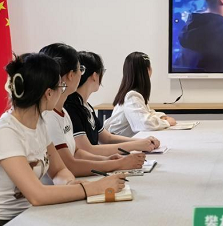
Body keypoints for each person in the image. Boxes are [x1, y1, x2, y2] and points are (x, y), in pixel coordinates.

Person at [0, 53, 125, 226]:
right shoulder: (4, 133)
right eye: (61, 86)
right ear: (49, 93)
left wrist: (69, 183)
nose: (63, 91)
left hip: (29, 216)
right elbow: (37, 195)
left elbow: (58, 170)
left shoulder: (39, 123)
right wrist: (91, 188)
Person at [40, 44, 146, 176]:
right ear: (71, 75)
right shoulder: (52, 115)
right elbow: (70, 166)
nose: (81, 74)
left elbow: (77, 152)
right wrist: (116, 164)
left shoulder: (64, 112)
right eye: (80, 69)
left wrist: (108, 160)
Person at [64, 51, 162, 157]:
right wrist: (136, 145)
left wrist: (141, 142)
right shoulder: (71, 107)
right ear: (94, 76)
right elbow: (88, 150)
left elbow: (107, 138)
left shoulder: (86, 106)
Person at [105, 52, 176, 137]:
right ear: (148, 70)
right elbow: (144, 124)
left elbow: (146, 113)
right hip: (117, 143)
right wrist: (166, 122)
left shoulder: (132, 94)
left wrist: (161, 116)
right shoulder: (132, 96)